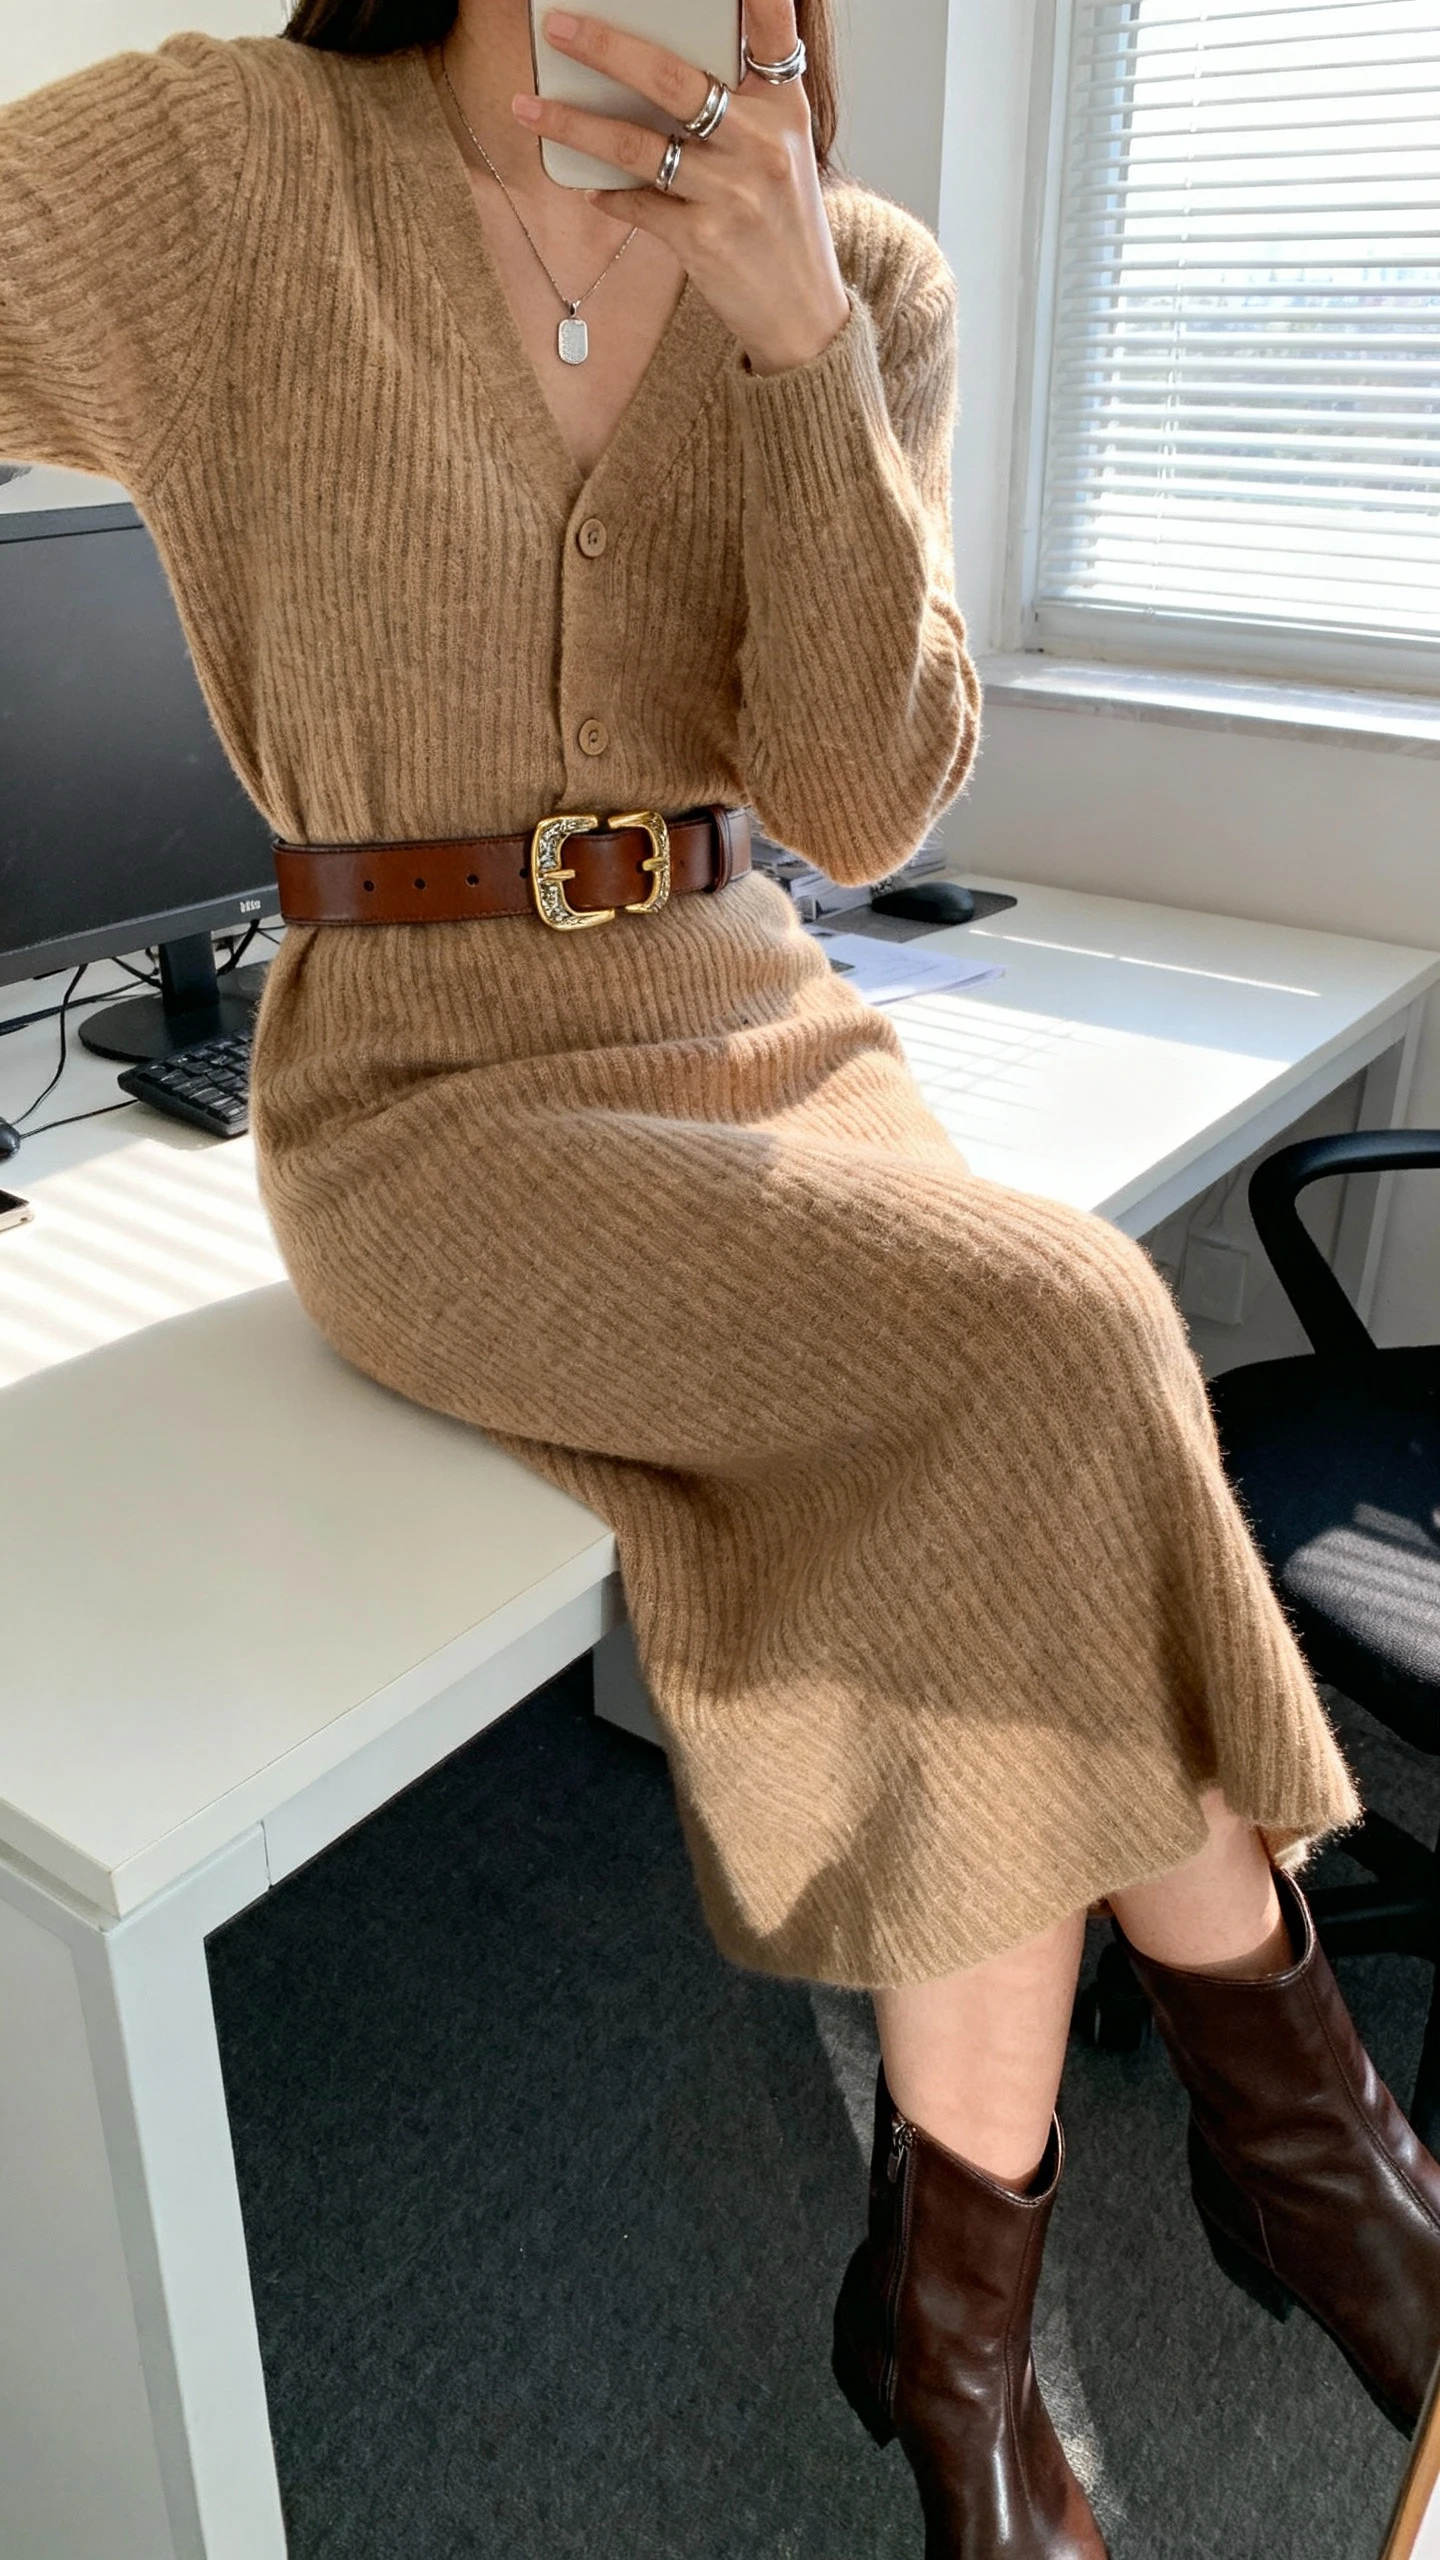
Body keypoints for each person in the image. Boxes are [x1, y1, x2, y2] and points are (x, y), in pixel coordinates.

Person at [3, 5, 1438, 2550]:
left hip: (760, 1022)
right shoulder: (225, 164)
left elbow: (864, 798)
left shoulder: (859, 269)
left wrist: (793, 354)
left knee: (981, 1468)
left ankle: (960, 2369)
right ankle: (1317, 2160)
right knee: (1070, 1328)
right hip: (426, 1098)